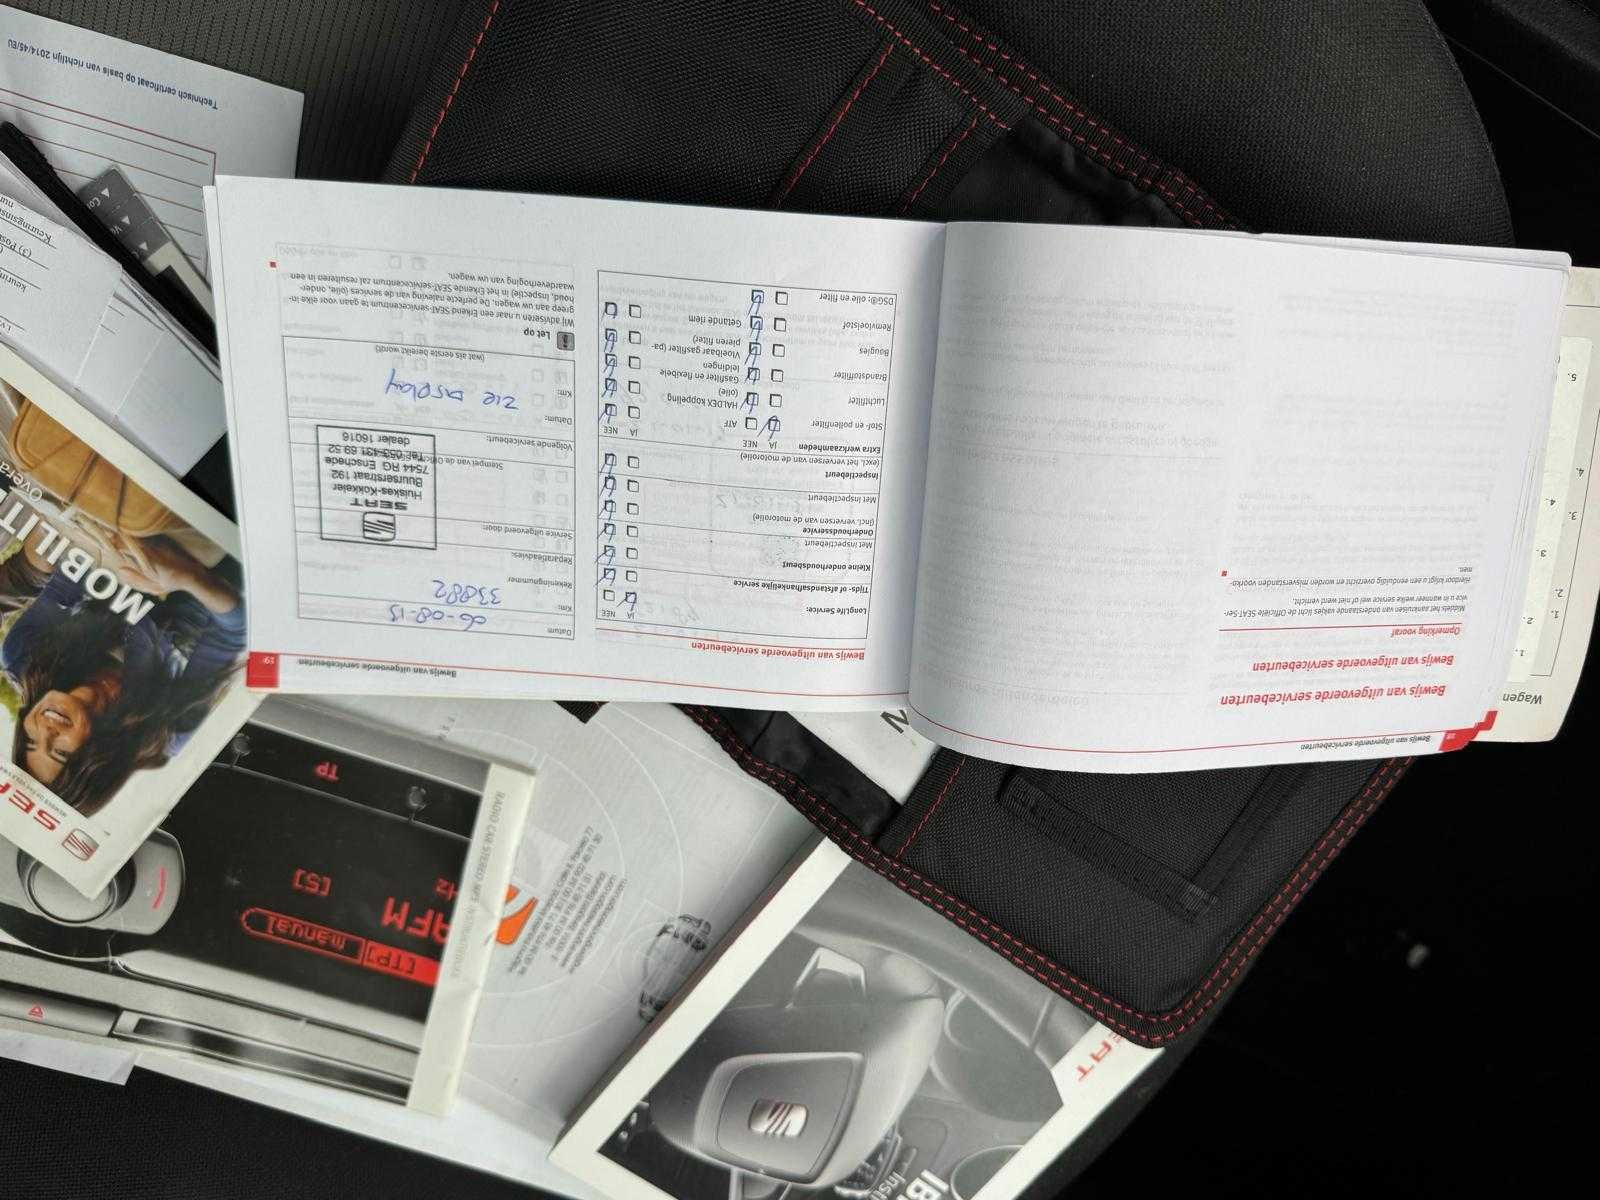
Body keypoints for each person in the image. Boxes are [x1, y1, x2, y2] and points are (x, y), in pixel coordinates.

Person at [3, 528, 244, 814]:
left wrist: (118, 547)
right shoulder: (166, 731)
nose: (46, 729)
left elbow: (70, 574)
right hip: (216, 567)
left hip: (126, 538)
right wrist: (187, 577)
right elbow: (232, 633)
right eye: (60, 751)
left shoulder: (23, 655)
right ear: (98, 758)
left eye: (31, 741)